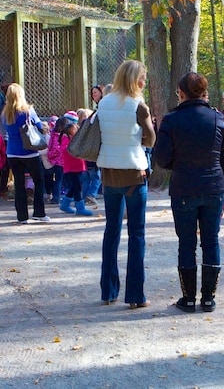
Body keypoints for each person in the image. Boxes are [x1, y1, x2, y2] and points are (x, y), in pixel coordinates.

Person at [154, 72, 224, 313]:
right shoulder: (218, 118)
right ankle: (208, 298)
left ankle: (188, 299)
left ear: (181, 93)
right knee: (211, 240)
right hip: (213, 188)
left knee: (186, 243)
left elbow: (162, 158)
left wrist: (178, 161)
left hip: (184, 188)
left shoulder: (171, 120)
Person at [96, 60, 155, 309]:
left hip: (109, 173)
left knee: (111, 232)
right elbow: (151, 140)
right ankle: (135, 295)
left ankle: (108, 291)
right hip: (133, 174)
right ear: (134, 79)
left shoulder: (104, 102)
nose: (143, 82)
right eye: (142, 78)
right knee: (137, 234)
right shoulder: (138, 105)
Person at [3, 83, 50, 223]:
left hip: (12, 152)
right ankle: (39, 212)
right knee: (39, 181)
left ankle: (22, 216)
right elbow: (39, 126)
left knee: (19, 183)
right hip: (29, 151)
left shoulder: (5, 113)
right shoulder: (28, 111)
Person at [57, 111, 94, 216]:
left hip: (78, 167)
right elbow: (65, 149)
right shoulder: (66, 138)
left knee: (75, 187)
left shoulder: (74, 138)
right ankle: (80, 208)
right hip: (71, 168)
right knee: (77, 188)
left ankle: (65, 204)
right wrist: (74, 151)